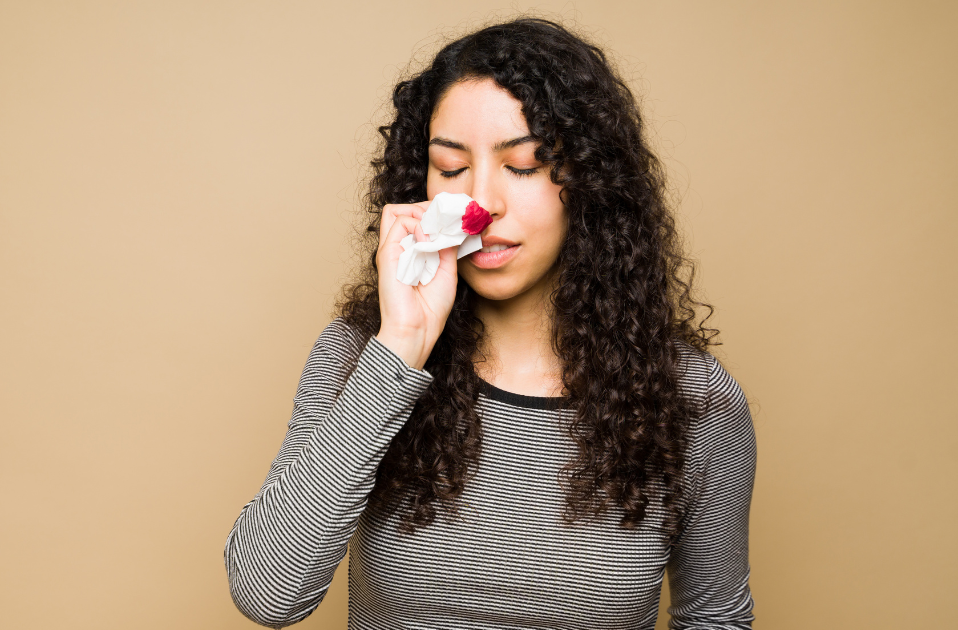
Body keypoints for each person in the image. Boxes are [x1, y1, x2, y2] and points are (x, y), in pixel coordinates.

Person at [225, 17, 756, 630]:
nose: (481, 205)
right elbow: (266, 595)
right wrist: (400, 351)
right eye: (450, 169)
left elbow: (716, 616)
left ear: (590, 182)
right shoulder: (359, 361)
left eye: (525, 165)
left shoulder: (691, 397)